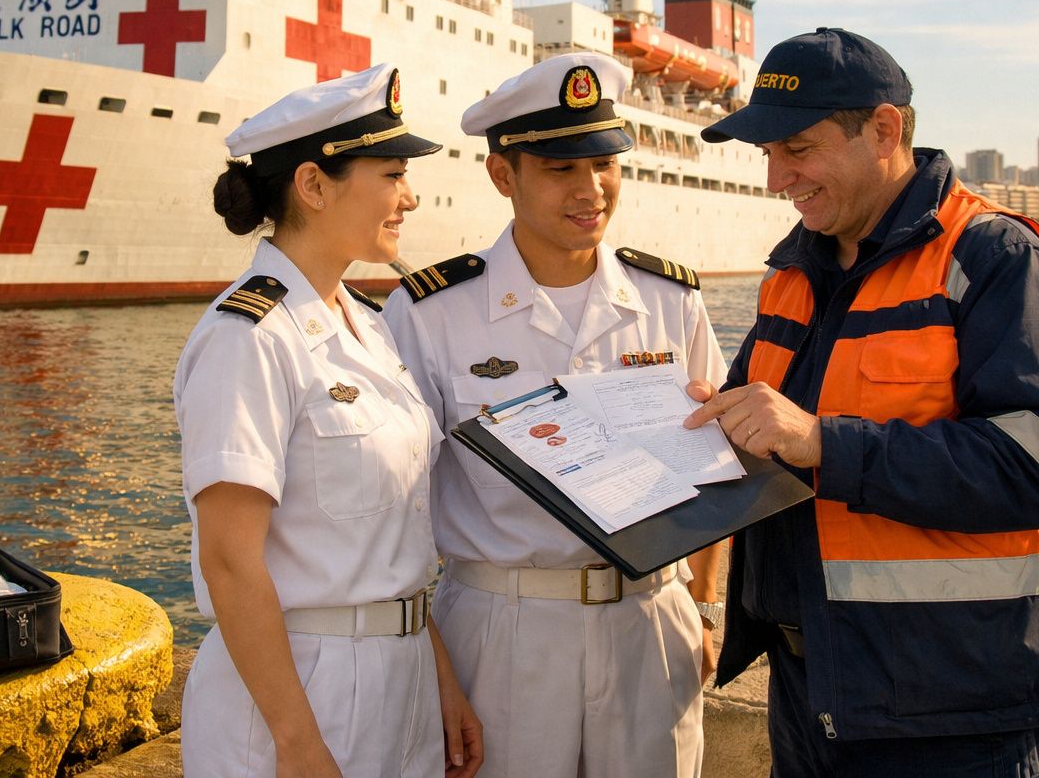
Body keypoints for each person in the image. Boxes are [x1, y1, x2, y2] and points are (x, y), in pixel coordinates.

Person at [685, 28, 1039, 776]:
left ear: (885, 130)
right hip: (815, 687)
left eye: (798, 148)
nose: (775, 179)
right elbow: (770, 431)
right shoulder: (794, 270)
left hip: (957, 709)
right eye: (767, 154)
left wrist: (824, 442)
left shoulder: (995, 259)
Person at [384, 52, 726, 778]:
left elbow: (718, 463)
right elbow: (394, 513)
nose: (591, 188)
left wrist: (705, 608)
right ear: (503, 175)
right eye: (561, 167)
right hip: (503, 632)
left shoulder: (669, 300)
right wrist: (437, 671)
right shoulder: (432, 314)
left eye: (605, 162)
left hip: (650, 623)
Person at [174, 63, 484, 778]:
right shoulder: (248, 336)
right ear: (313, 186)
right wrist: (297, 742)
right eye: (391, 174)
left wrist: (438, 676)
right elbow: (229, 557)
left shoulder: (367, 327)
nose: (411, 195)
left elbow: (389, 541)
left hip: (398, 679)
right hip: (303, 686)